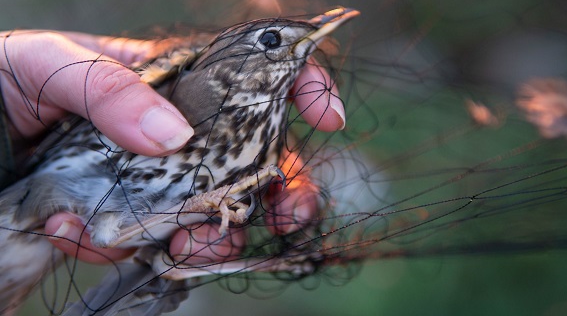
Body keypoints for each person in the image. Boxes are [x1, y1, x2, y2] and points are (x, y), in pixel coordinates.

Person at [0, 29, 345, 265]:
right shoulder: (180, 84)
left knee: (183, 255)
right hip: (28, 201)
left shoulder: (268, 145)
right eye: (271, 40)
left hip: (44, 245)